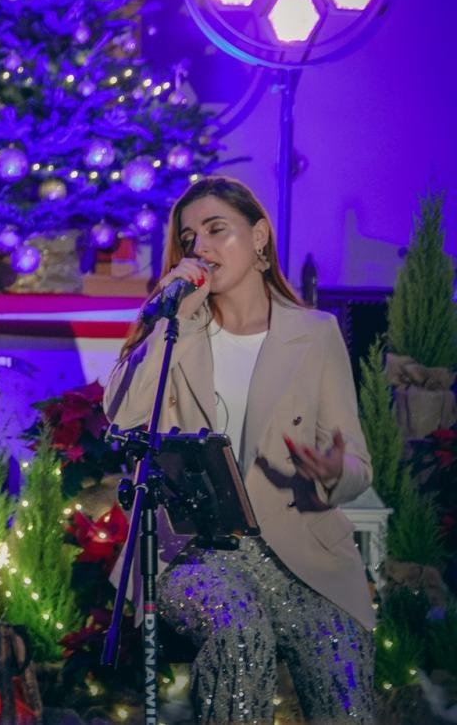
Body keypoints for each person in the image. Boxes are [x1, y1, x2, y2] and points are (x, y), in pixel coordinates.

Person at [104, 176, 374, 723]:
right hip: (189, 548)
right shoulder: (178, 329)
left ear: (259, 238)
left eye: (215, 229)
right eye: (188, 237)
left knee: (340, 660)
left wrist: (329, 470)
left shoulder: (316, 334)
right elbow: (124, 414)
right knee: (239, 629)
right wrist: (171, 318)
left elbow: (358, 466)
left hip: (299, 549)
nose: (199, 245)